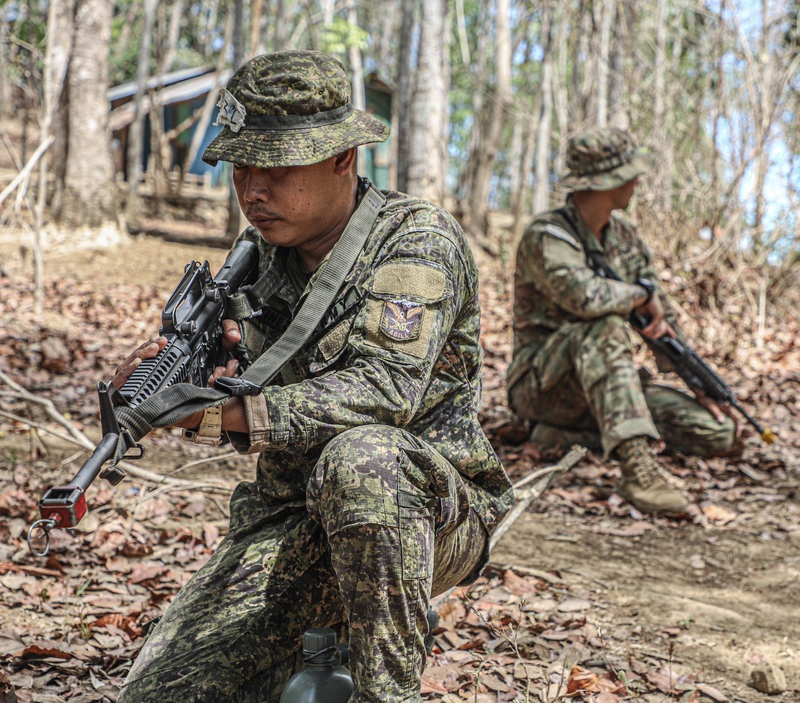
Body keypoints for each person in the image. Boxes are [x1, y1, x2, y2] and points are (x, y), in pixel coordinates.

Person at [113, 50, 513, 703]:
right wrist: (178, 398)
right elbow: (259, 401)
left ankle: (386, 681)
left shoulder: (414, 240)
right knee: (164, 691)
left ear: (341, 159)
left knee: (365, 460)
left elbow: (385, 392)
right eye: (241, 168)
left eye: (275, 168)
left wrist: (237, 410)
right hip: (293, 515)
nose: (252, 191)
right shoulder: (265, 259)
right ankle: (346, 629)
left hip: (428, 510)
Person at [506, 127, 736, 515]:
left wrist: (697, 382)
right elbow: (587, 298)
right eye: (631, 173)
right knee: (605, 325)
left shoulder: (624, 237)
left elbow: (661, 316)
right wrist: (640, 295)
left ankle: (571, 435)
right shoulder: (546, 236)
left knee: (716, 432)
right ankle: (637, 470)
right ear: (609, 182)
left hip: (608, 385)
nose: (637, 181)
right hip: (544, 385)